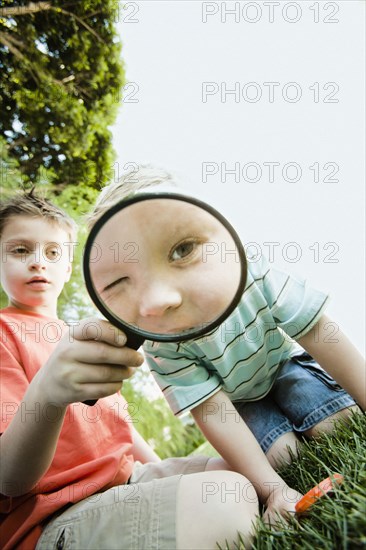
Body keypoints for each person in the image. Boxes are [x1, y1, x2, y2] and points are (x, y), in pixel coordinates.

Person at [86, 164, 365, 520]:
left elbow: (319, 333)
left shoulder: (254, 272)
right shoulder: (161, 345)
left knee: (338, 425)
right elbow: (212, 408)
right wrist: (274, 490)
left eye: (182, 249)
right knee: (285, 458)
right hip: (240, 404)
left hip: (284, 367)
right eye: (118, 282)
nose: (158, 300)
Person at [0, 190, 260, 550]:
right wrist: (47, 393)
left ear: (69, 265)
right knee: (226, 500)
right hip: (54, 515)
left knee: (241, 471)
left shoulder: (87, 338)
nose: (38, 262)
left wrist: (163, 475)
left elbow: (117, 430)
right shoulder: (2, 334)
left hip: (125, 481)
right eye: (20, 250)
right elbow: (10, 479)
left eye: (53, 252)